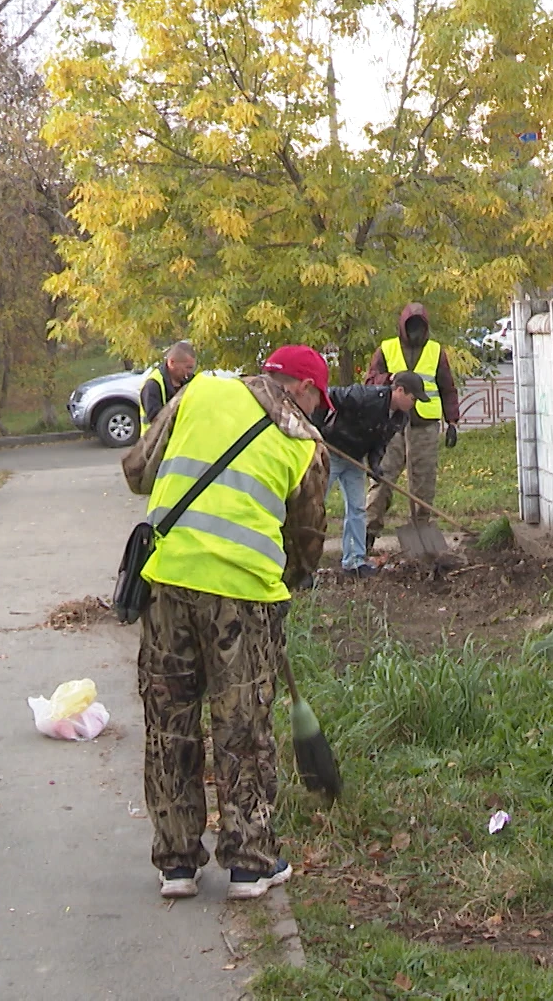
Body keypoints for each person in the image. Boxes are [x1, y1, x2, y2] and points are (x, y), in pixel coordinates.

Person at [121, 344, 330, 901]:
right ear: (305, 389)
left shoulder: (201, 390)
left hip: (166, 582)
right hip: (242, 599)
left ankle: (176, 864)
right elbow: (307, 543)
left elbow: (137, 471)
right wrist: (284, 587)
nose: (316, 410)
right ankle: (249, 863)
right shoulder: (305, 442)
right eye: (317, 399)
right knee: (244, 731)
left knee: (170, 724)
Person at [364, 303, 460, 546]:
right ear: (403, 327)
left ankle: (421, 532)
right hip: (391, 425)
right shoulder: (386, 349)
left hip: (424, 426)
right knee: (382, 477)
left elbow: (447, 388)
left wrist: (452, 422)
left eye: (420, 327)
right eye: (411, 327)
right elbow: (370, 380)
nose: (416, 332)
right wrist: (389, 379)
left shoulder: (436, 352)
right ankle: (368, 534)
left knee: (423, 482)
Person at [314, 371, 425, 578]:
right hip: (331, 452)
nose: (414, 403)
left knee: (357, 509)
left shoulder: (401, 417)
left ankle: (354, 561)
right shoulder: (366, 396)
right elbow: (329, 396)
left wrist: (375, 464)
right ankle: (303, 565)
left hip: (356, 459)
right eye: (413, 398)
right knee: (315, 506)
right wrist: (316, 430)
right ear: (399, 390)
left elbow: (380, 441)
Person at [140, 340, 197, 423]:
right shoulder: (153, 385)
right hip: (157, 435)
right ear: (172, 362)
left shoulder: (189, 380)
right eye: (188, 367)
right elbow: (157, 422)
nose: (190, 372)